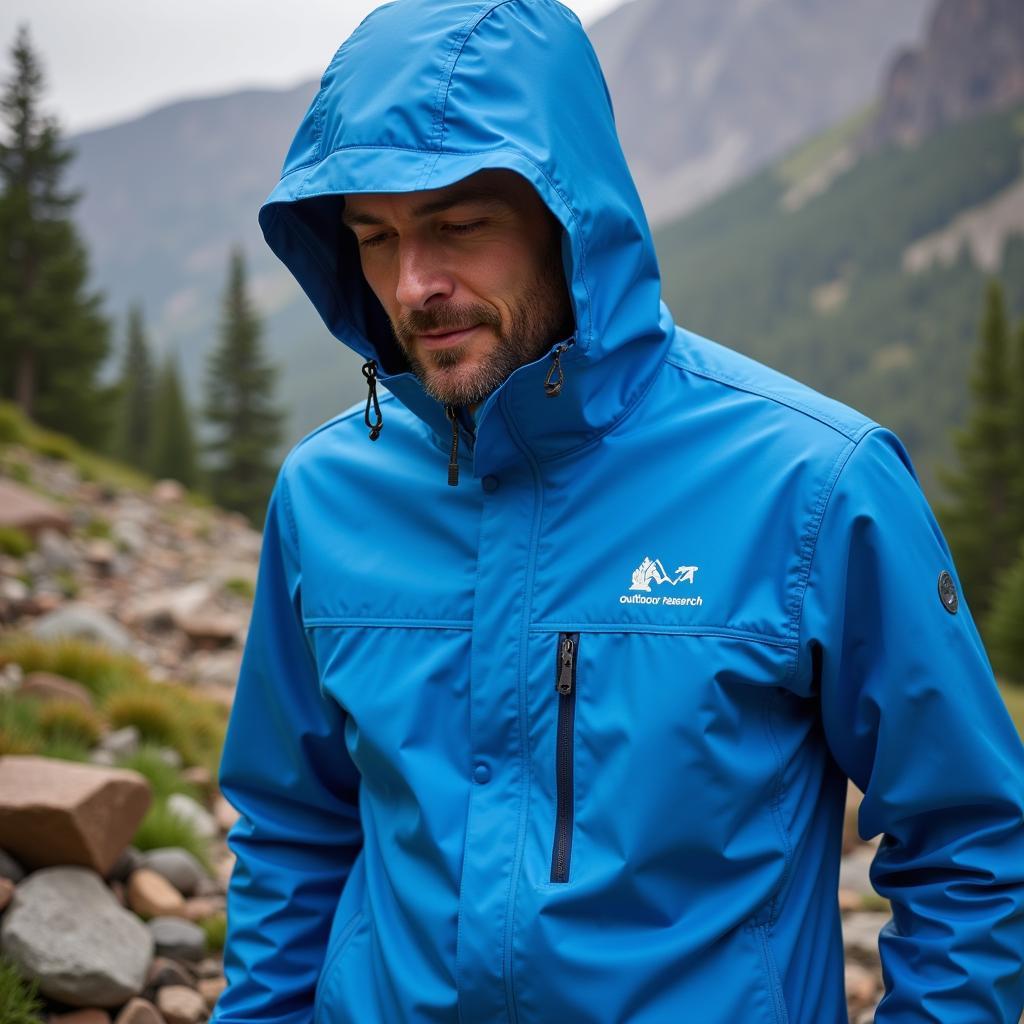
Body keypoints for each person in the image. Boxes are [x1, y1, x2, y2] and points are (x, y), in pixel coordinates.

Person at [211, 1, 1024, 1021]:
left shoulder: (814, 485)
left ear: (569, 219)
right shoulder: (327, 494)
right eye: (375, 238)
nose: (414, 284)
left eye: (460, 224)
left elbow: (973, 837)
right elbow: (292, 826)